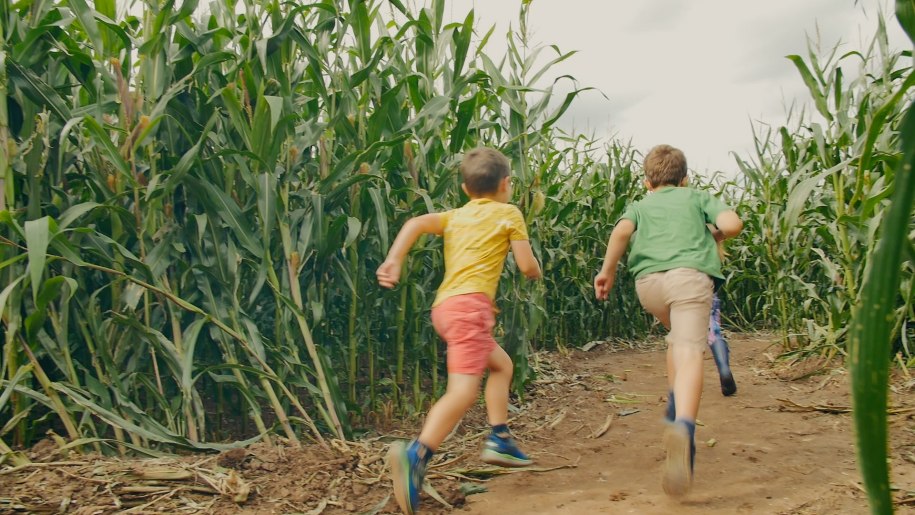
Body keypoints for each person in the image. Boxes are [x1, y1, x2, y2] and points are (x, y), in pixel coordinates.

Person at [377, 147, 542, 514]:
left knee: (501, 366)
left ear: (466, 189)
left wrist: (394, 258)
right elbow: (526, 264)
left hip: (447, 308)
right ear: (506, 184)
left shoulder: (455, 216)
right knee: (463, 391)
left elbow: (415, 223)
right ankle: (416, 455)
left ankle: (500, 438)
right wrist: (535, 272)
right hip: (470, 310)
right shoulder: (509, 213)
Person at [593, 144, 743, 497]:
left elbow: (620, 233)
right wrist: (718, 233)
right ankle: (684, 428)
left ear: (647, 182)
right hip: (689, 281)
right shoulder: (696, 197)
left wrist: (607, 272)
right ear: (685, 178)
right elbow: (732, 223)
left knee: (677, 340)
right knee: (692, 351)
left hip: (649, 286)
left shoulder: (639, 206)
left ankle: (675, 401)